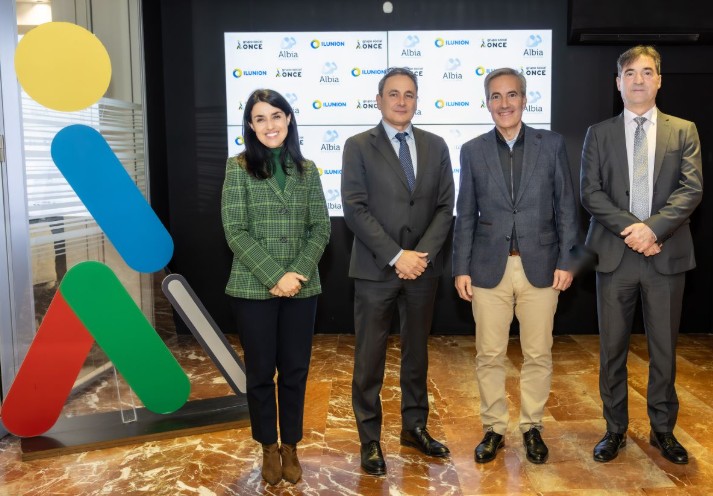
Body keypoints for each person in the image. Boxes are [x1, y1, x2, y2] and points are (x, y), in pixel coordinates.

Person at [581, 45, 702, 465]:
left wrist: (653, 229)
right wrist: (634, 230)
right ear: (618, 82)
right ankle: (614, 429)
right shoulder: (598, 133)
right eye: (630, 73)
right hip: (615, 256)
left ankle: (663, 429)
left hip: (665, 255)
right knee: (612, 350)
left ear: (659, 80)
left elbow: (691, 189)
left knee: (664, 351)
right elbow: (590, 192)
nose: (638, 80)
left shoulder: (683, 130)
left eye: (647, 72)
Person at [452, 67, 578, 464]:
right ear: (487, 103)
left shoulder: (551, 144)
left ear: (524, 99)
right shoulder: (472, 150)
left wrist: (568, 259)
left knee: (538, 353)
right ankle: (493, 428)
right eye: (496, 96)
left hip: (541, 267)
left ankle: (531, 427)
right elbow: (465, 214)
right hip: (488, 269)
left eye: (511, 95)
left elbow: (566, 207)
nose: (504, 103)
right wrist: (461, 267)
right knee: (489, 355)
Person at [341, 67, 455, 476]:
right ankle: (369, 439)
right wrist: (396, 255)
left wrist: (420, 255)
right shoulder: (358, 146)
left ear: (417, 100)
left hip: (423, 269)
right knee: (369, 357)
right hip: (376, 269)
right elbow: (355, 208)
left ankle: (414, 427)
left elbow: (445, 206)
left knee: (417, 353)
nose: (402, 101)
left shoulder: (436, 145)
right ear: (379, 100)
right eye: (393, 94)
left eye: (409, 94)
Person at [221, 89, 330, 485]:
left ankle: (291, 446)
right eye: (260, 118)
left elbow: (321, 228)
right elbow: (235, 230)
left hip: (302, 288)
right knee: (261, 372)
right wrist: (275, 276)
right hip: (254, 288)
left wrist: (296, 273)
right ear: (251, 126)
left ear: (288, 119)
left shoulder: (307, 169)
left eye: (276, 116)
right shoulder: (238, 168)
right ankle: (268, 446)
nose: (270, 125)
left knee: (296, 371)